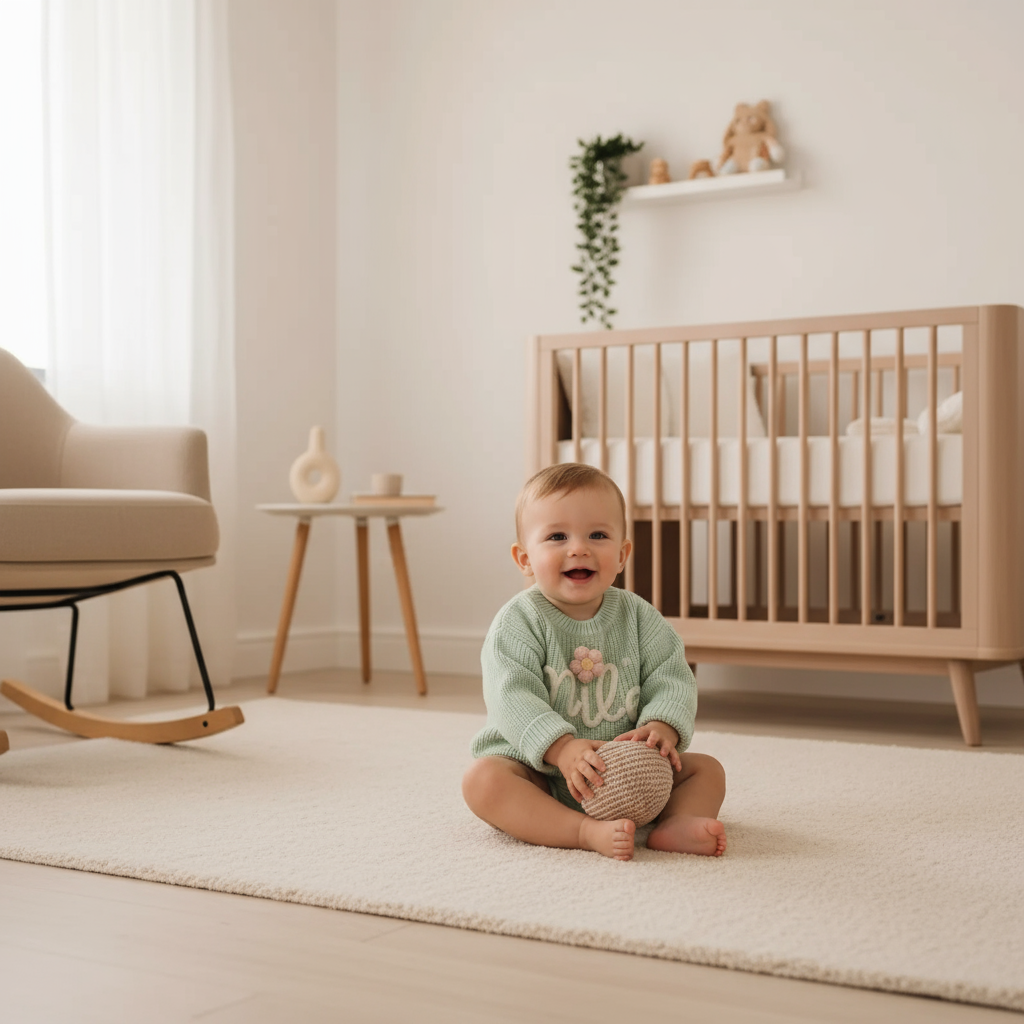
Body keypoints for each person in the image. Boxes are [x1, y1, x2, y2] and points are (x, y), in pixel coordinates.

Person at [462, 463, 727, 862]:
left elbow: (671, 676)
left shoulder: (640, 617)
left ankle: (677, 823)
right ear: (525, 559)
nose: (578, 549)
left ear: (621, 555)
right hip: (541, 773)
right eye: (557, 536)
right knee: (482, 781)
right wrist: (561, 749)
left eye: (597, 535)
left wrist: (662, 727)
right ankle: (582, 831)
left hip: (628, 774)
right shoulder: (517, 622)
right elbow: (511, 696)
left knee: (707, 770)